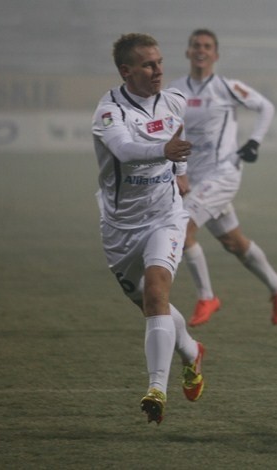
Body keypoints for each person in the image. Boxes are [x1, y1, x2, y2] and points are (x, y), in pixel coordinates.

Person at [92, 33, 206, 425]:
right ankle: (191, 350)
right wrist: (165, 153)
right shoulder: (109, 112)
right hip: (120, 228)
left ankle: (157, 388)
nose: (158, 70)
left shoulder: (173, 100)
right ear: (126, 71)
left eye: (159, 62)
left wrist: (181, 174)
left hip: (165, 217)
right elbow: (124, 150)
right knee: (150, 306)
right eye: (147, 65)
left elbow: (178, 141)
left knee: (158, 293)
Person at [169, 29, 277, 328]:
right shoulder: (175, 92)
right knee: (233, 242)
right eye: (196, 45)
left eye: (207, 46)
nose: (201, 50)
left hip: (223, 173)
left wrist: (254, 142)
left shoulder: (226, 87)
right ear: (187, 52)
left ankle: (206, 297)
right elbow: (172, 131)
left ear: (216, 55)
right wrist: (177, 172)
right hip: (193, 179)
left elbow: (266, 106)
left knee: (182, 231)